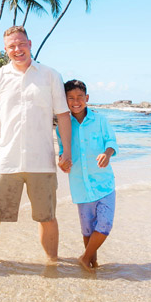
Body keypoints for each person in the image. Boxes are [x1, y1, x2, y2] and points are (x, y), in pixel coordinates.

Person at [0, 26, 72, 278]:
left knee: (47, 217)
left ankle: (52, 265)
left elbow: (63, 115)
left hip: (41, 161)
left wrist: (66, 151)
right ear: (5, 50)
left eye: (21, 44)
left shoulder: (50, 75)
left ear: (30, 43)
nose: (17, 49)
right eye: (11, 46)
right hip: (5, 161)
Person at [57, 79, 118, 272]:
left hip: (104, 183)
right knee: (87, 229)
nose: (76, 102)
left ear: (87, 98)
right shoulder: (63, 126)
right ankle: (92, 262)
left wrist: (107, 154)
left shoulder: (101, 120)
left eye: (80, 97)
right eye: (71, 98)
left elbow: (111, 142)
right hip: (80, 184)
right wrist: (63, 163)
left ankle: (84, 258)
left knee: (105, 224)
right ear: (64, 100)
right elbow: (62, 151)